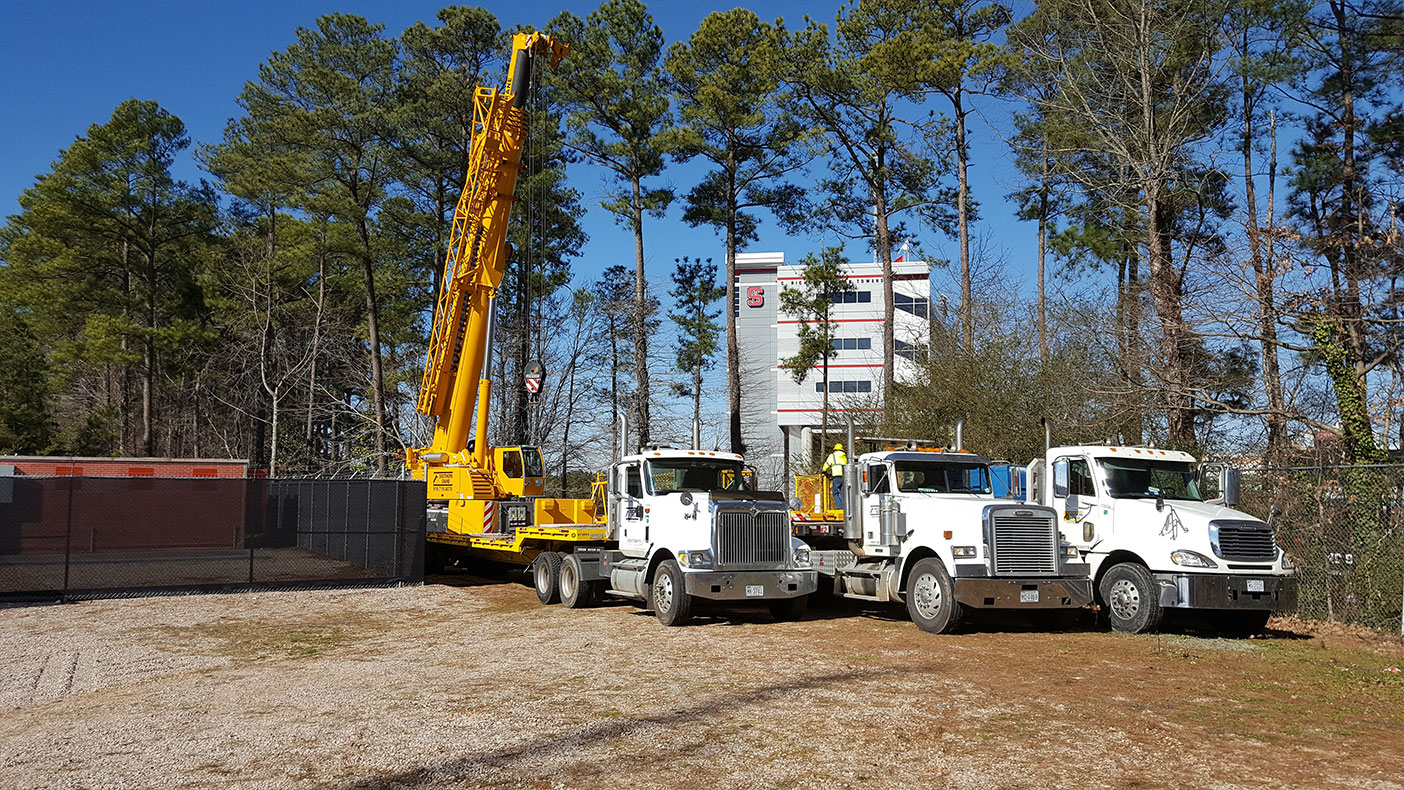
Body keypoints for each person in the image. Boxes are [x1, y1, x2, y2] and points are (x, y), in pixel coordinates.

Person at [822, 442, 848, 511]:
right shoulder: (845, 456)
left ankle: (841, 508)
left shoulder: (832, 456)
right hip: (845, 477)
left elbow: (827, 464)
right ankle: (845, 508)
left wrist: (823, 470)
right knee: (843, 494)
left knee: (835, 493)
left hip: (837, 476)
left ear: (835, 449)